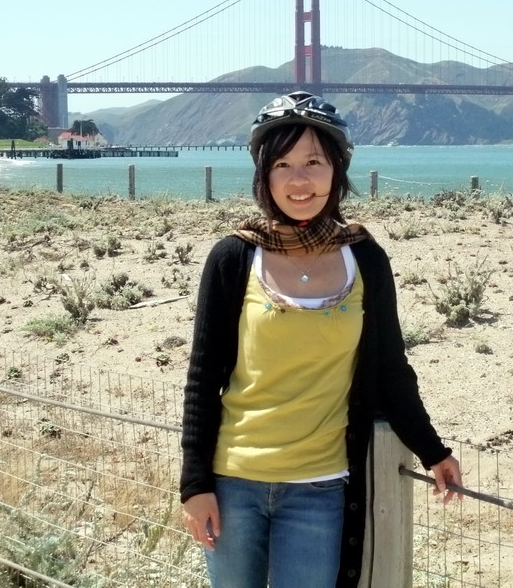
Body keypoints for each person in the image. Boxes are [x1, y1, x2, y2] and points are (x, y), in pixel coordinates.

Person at [180, 91, 462, 588]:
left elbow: (392, 370)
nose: (300, 179)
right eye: (282, 164)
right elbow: (203, 379)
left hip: (320, 487)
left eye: (314, 161)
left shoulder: (365, 258)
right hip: (233, 483)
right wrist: (195, 485)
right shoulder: (233, 258)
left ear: (337, 168)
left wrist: (433, 451)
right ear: (264, 176)